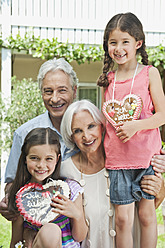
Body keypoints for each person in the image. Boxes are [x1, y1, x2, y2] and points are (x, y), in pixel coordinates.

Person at [97, 12, 165, 248]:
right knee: (123, 219)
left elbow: (162, 115)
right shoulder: (108, 79)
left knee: (146, 215)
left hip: (146, 158)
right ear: (107, 46)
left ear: (138, 43)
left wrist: (136, 126)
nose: (119, 48)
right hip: (118, 160)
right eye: (113, 42)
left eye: (125, 41)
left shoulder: (150, 73)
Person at [60, 99, 165, 248]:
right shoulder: (65, 170)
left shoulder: (125, 161)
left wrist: (159, 189)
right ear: (71, 136)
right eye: (78, 131)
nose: (87, 136)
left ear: (102, 127)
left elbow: (147, 209)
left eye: (91, 126)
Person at [0, 57, 78, 221]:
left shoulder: (89, 132)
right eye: (48, 91)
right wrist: (8, 200)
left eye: (62, 90)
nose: (55, 99)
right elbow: (12, 182)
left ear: (75, 90)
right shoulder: (25, 133)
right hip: (36, 225)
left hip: (81, 221)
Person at [8, 127, 87, 248]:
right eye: (34, 158)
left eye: (48, 159)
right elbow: (16, 242)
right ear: (25, 158)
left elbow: (79, 237)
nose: (41, 165)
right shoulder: (22, 196)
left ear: (57, 159)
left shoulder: (70, 190)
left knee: (51, 230)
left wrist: (77, 214)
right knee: (51, 231)